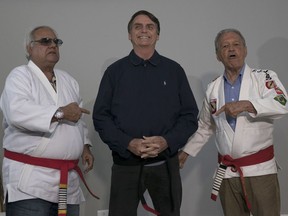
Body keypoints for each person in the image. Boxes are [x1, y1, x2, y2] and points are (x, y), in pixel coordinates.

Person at [93, 10, 199, 216]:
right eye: (138, 27)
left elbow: (189, 116)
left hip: (165, 165)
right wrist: (127, 143)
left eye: (150, 27)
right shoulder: (114, 72)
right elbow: (101, 117)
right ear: (129, 35)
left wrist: (166, 141)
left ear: (157, 35)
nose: (144, 30)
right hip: (126, 166)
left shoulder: (174, 70)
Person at [179, 28, 288, 216]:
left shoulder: (263, 77)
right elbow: (205, 126)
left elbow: (283, 103)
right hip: (227, 172)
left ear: (245, 50)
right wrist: (186, 152)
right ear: (217, 55)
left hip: (260, 170)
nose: (232, 49)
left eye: (236, 44)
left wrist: (247, 105)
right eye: (225, 46)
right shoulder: (213, 88)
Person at [0, 26, 97, 216]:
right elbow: (17, 112)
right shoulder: (19, 76)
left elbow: (78, 118)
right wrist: (60, 113)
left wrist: (85, 146)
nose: (52, 45)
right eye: (45, 41)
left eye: (56, 42)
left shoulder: (69, 80)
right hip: (30, 182)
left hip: (66, 182)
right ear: (29, 48)